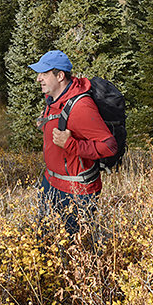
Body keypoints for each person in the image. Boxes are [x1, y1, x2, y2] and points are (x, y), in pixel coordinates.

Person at [30, 49, 116, 235]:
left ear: (60, 75)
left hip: (75, 190)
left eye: (44, 74)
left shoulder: (82, 107)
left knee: (74, 247)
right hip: (50, 181)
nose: (39, 78)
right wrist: (45, 122)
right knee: (44, 237)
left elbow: (109, 146)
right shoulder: (53, 99)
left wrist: (71, 145)